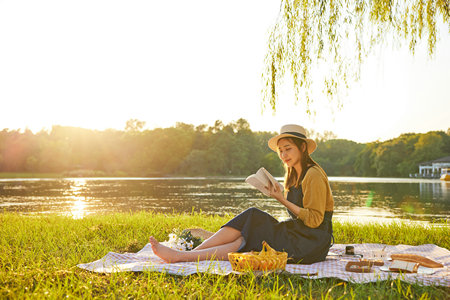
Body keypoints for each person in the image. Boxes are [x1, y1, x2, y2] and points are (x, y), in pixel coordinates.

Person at [149, 124, 334, 264]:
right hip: (300, 235)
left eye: (288, 148)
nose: (284, 155)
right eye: (281, 150)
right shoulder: (294, 175)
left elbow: (314, 220)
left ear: (302, 148)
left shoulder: (313, 175)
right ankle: (186, 255)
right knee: (250, 226)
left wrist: (280, 199)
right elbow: (299, 215)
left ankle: (183, 256)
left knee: (253, 221)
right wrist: (279, 196)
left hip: (311, 244)